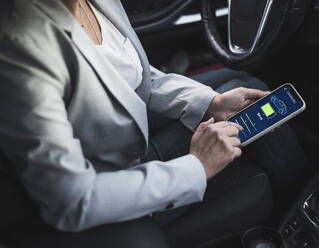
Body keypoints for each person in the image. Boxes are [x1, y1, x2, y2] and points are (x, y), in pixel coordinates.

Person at [0, 0, 310, 247]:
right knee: (262, 123)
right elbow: (71, 200)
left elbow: (133, 73)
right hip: (113, 187)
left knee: (243, 87)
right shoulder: (20, 47)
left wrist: (209, 103)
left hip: (119, 132)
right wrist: (198, 166)